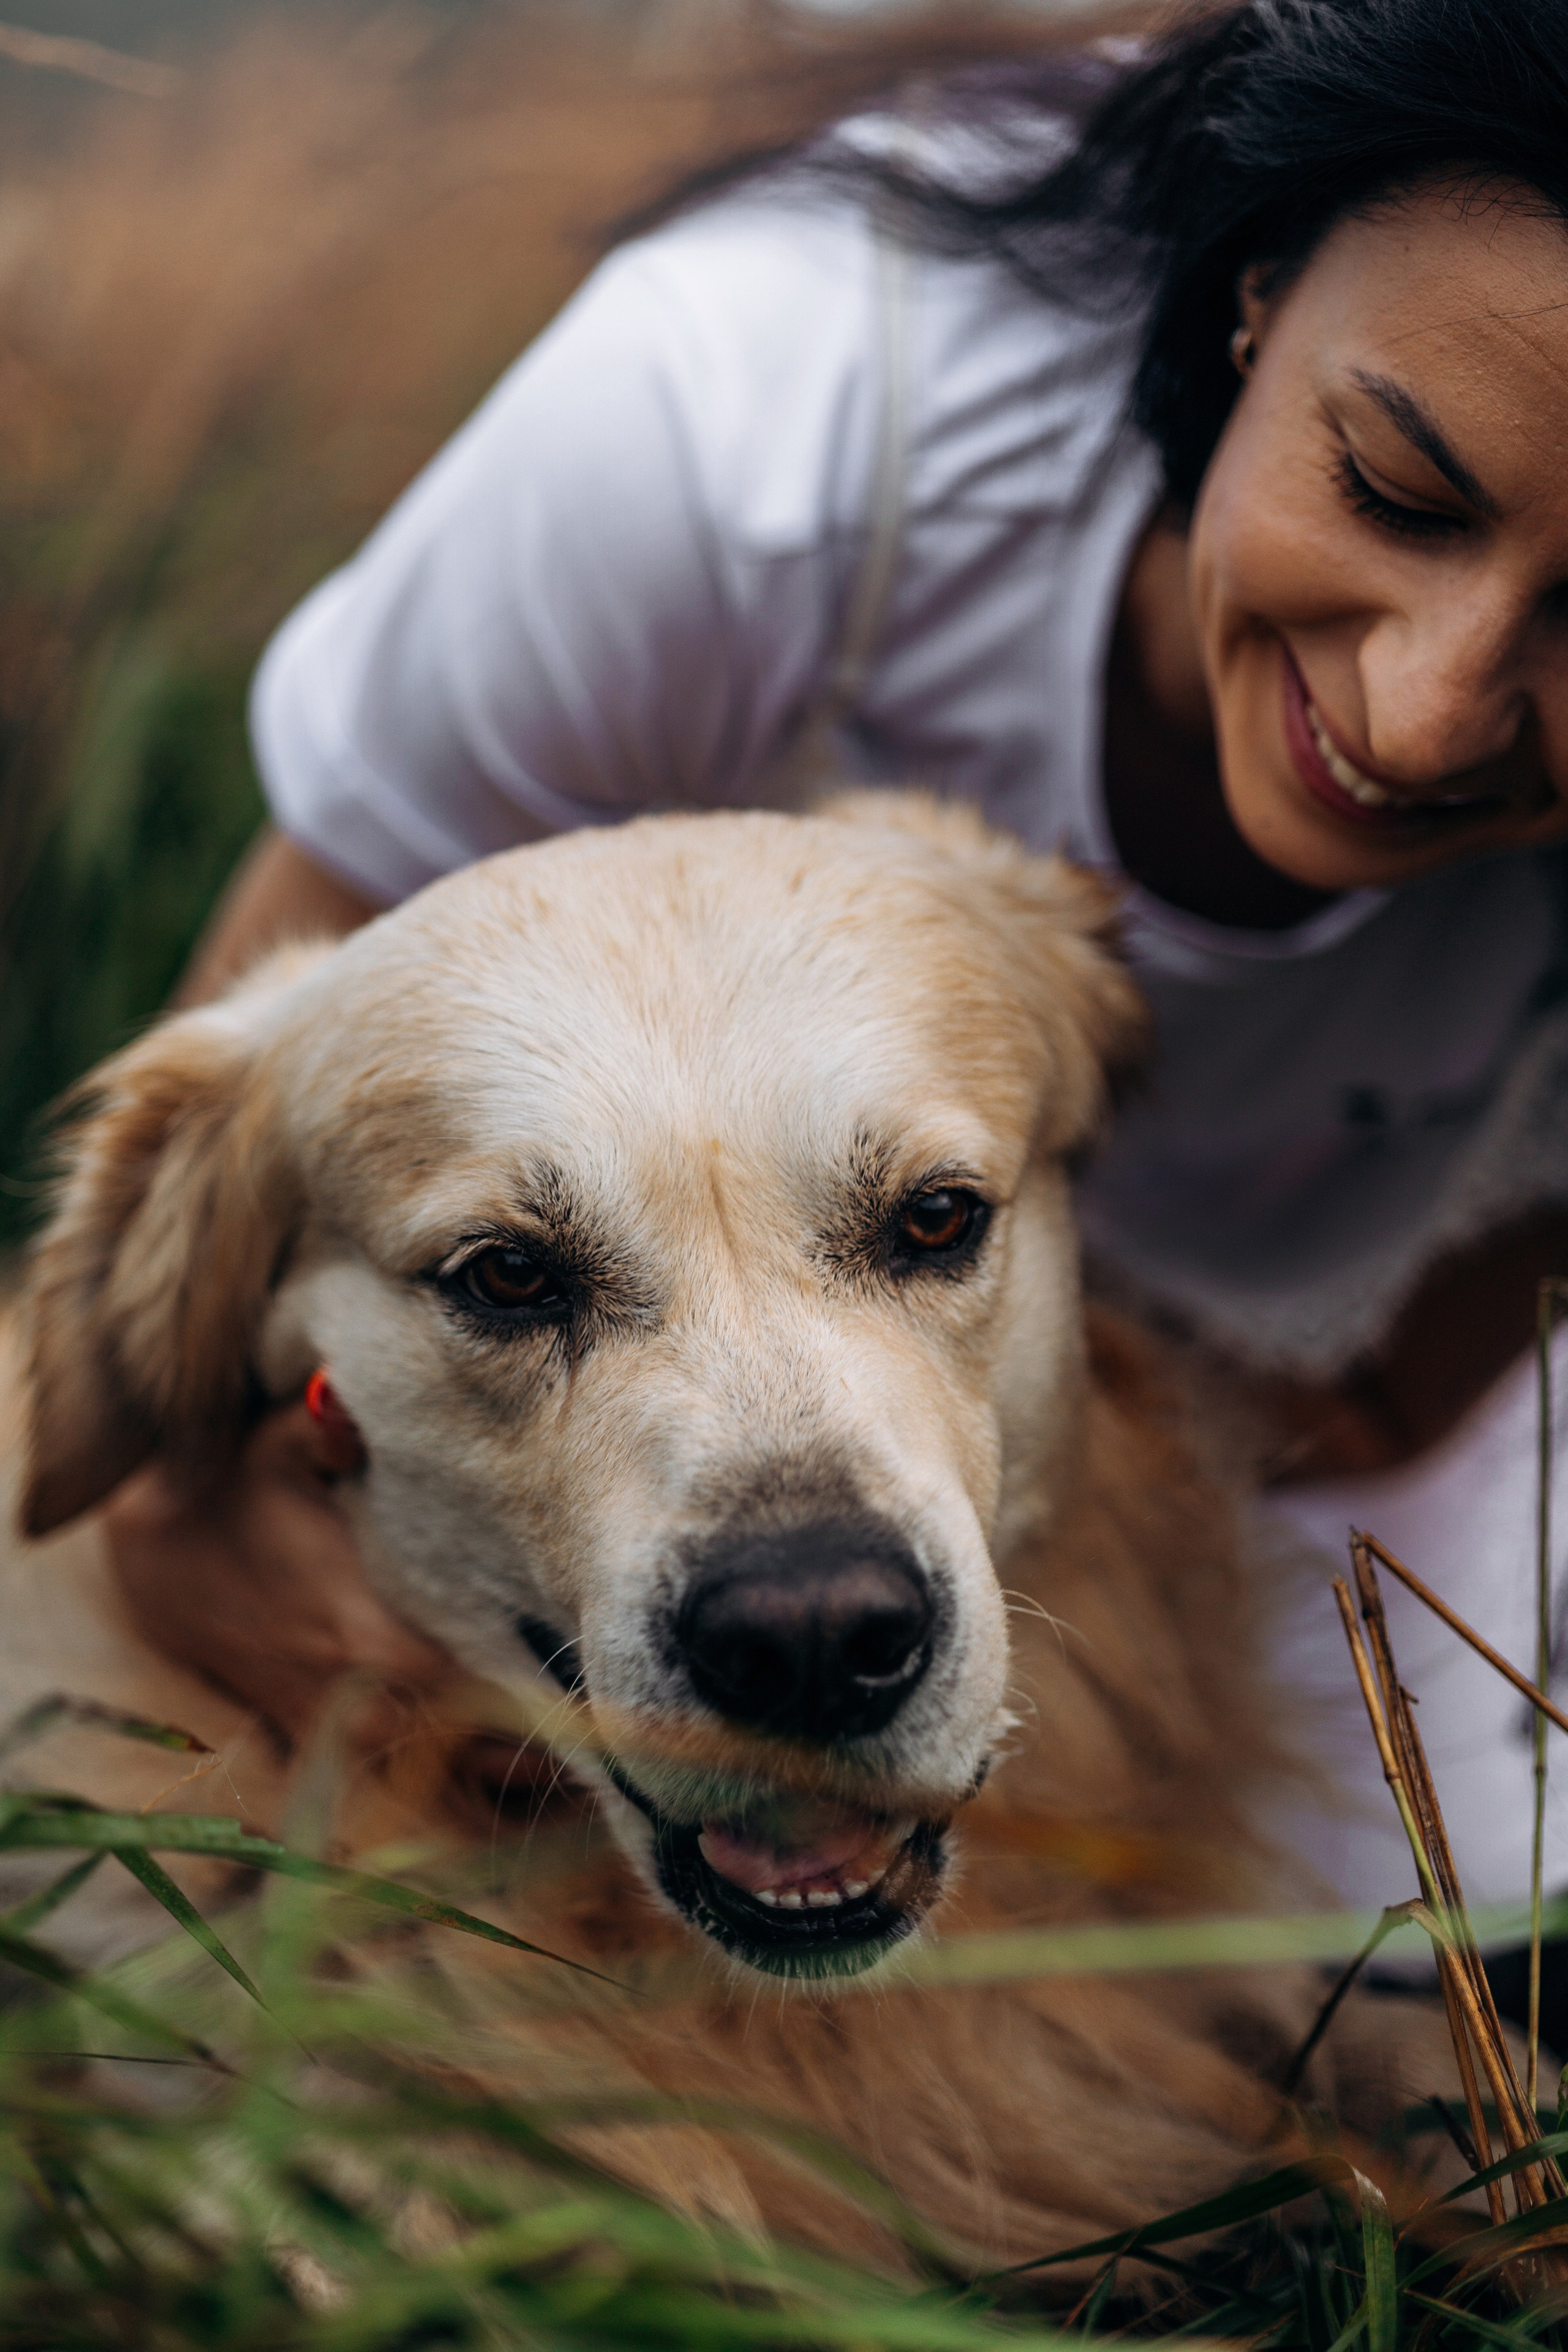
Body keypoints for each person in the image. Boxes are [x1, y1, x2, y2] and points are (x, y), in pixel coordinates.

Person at [105, 0, 1568, 1934]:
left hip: (1304, 1425)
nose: (1423, 710)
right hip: (706, 1428)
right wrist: (175, 1510)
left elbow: (1399, 1391)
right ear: (1256, 297)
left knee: (1428, 1962)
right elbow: (268, 1140)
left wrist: (1086, 1530)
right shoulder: (734, 429)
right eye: (1391, 490)